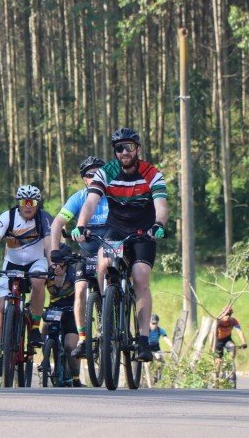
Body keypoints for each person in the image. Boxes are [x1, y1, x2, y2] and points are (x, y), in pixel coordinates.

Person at [72, 127, 169, 361]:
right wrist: (82, 224)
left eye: (129, 147)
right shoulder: (106, 173)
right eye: (119, 148)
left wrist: (158, 225)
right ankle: (105, 311)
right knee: (102, 266)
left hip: (143, 232)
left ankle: (144, 339)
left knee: (139, 276)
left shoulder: (152, 173)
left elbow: (162, 206)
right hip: (116, 229)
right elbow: (91, 201)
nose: (124, 151)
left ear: (137, 149)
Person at [0, 184, 52, 373]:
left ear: (38, 204)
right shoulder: (7, 217)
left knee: (39, 281)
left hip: (36, 262)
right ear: (18, 203)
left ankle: (35, 327)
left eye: (32, 202)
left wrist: (53, 264)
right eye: (24, 202)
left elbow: (49, 244)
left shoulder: (44, 218)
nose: (28, 206)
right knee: (2, 306)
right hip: (11, 264)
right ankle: (4, 349)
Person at [50, 156, 110, 358]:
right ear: (84, 179)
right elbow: (58, 223)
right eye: (89, 175)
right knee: (80, 288)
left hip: (112, 244)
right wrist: (54, 252)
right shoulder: (79, 197)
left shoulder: (114, 195)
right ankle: (84, 338)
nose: (94, 178)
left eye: (99, 173)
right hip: (88, 248)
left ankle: (111, 310)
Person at [42, 245, 83, 387]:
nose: (56, 265)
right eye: (54, 261)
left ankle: (76, 377)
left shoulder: (75, 273)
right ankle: (46, 359)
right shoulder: (49, 272)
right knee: (46, 328)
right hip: (55, 309)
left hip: (72, 311)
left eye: (59, 262)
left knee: (70, 345)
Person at [213, 306, 248, 374]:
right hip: (218, 341)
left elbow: (239, 331)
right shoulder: (218, 321)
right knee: (218, 361)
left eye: (229, 315)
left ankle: (227, 364)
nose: (228, 316)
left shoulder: (233, 321)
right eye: (226, 314)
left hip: (227, 339)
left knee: (233, 347)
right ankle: (216, 377)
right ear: (222, 314)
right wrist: (212, 345)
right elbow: (212, 334)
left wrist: (244, 342)